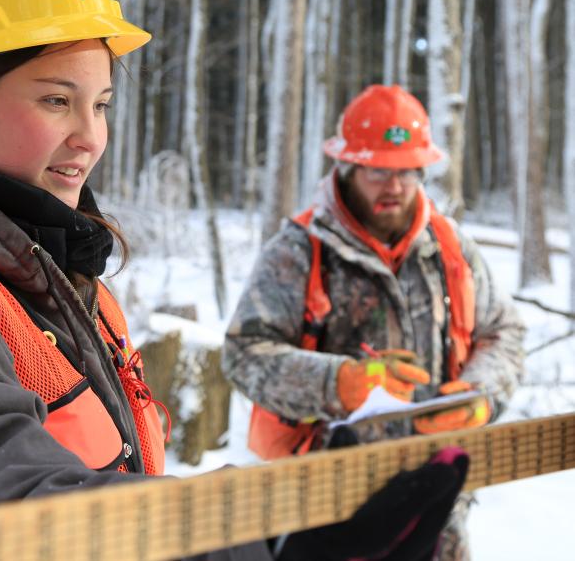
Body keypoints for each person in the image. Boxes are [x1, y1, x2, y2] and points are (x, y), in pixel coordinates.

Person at [0, 0, 469, 560]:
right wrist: (270, 534)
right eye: (55, 100)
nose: (91, 137)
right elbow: (11, 513)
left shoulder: (61, 276)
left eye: (100, 104)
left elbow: (119, 485)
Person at [223, 84, 526, 560]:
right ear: (347, 166)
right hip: (330, 514)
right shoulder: (299, 249)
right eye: (379, 171)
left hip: (439, 504)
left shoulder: (450, 246)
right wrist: (337, 383)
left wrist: (480, 395)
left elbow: (504, 333)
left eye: (407, 172)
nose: (395, 187)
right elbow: (244, 353)